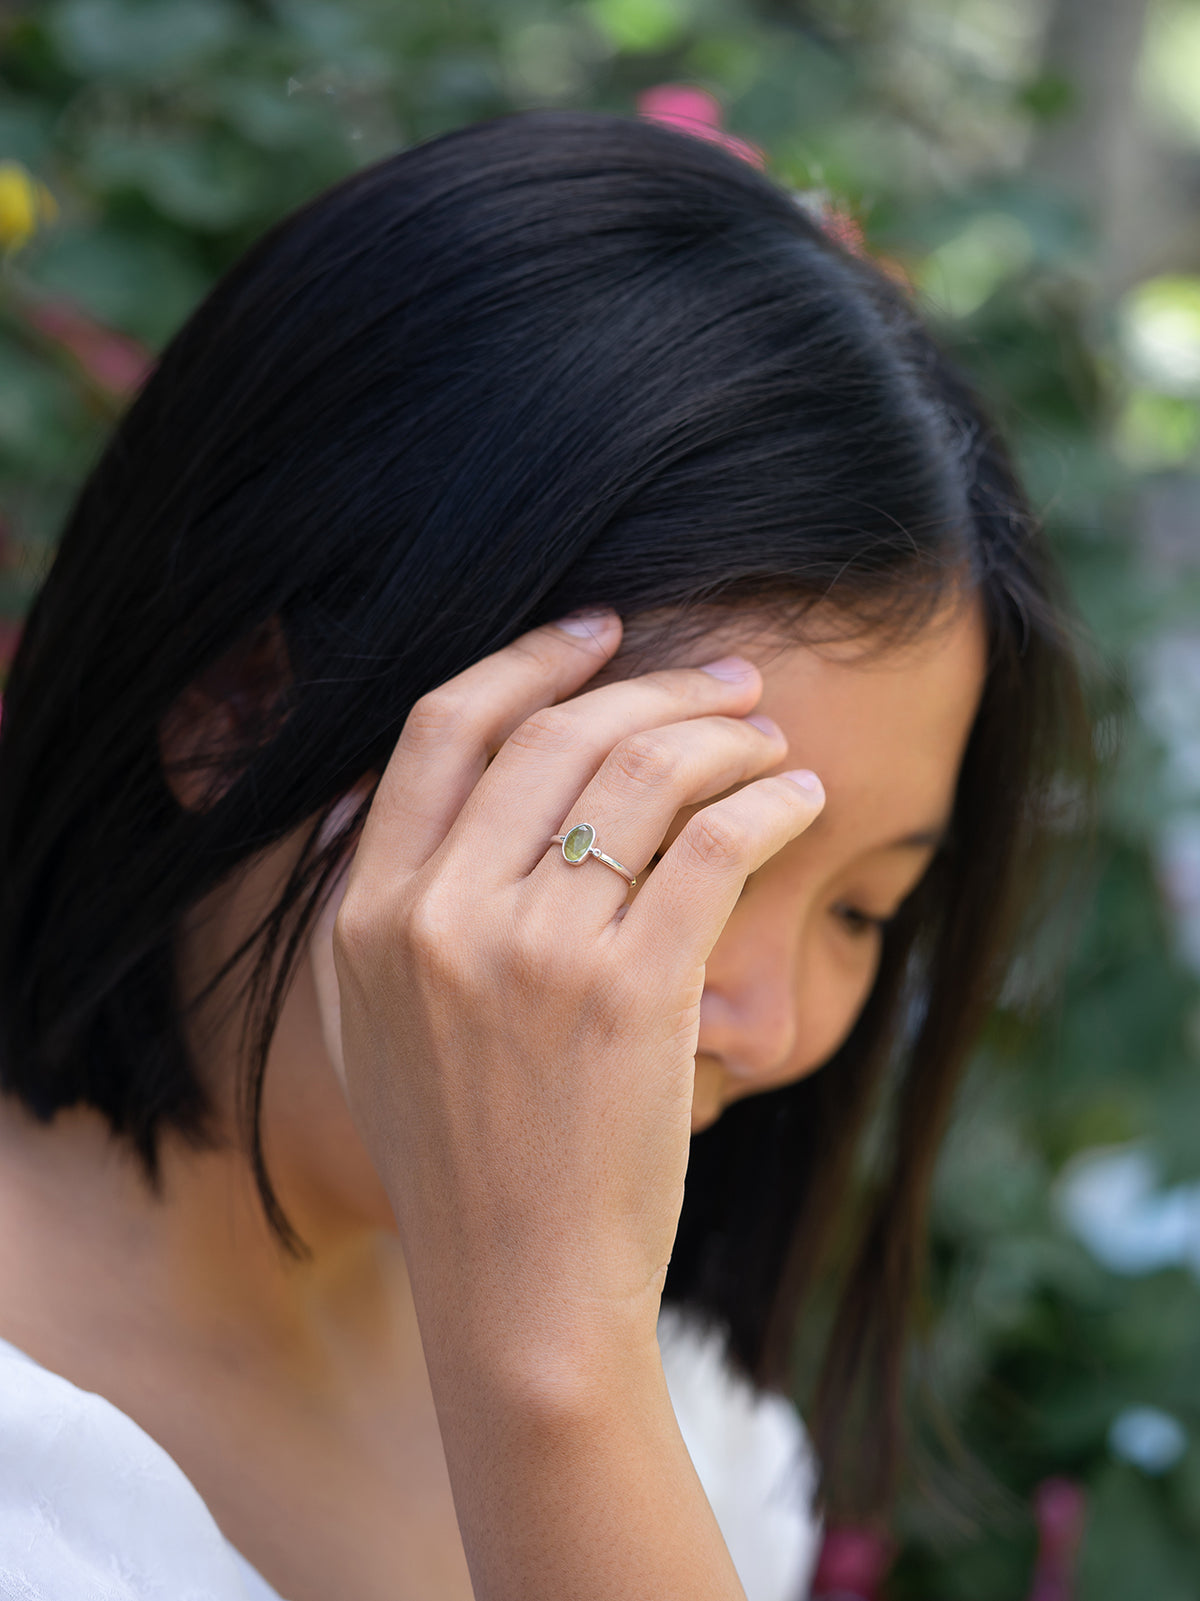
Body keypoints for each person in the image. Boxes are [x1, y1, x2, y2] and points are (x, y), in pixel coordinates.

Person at [0, 110, 1085, 1601]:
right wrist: (553, 1364)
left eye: (865, 906)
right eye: (661, 847)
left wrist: (561, 1377)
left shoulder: (690, 1433)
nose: (769, 1018)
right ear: (242, 708)